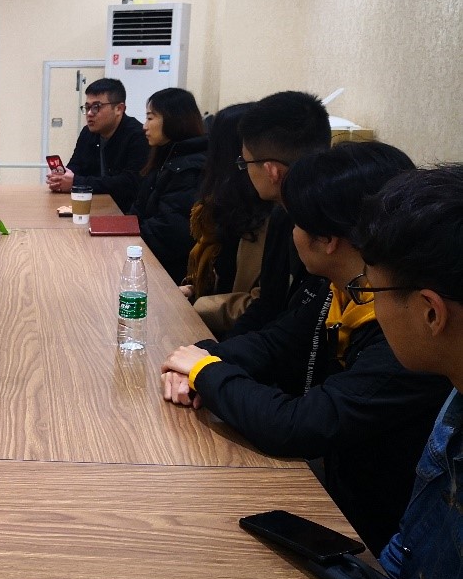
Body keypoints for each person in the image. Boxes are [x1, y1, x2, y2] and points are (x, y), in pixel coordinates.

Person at [160, 142, 450, 554]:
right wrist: (200, 361)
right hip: (339, 493)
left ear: (328, 239)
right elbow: (276, 342)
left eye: (294, 221)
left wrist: (205, 371)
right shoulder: (338, 286)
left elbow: (300, 426)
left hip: (373, 529)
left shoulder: (407, 331)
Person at [355, 165, 463, 579]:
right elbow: (412, 546)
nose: (370, 310)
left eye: (371, 292)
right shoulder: (454, 392)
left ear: (430, 312)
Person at [226, 91, 331, 337]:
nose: (245, 171)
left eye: (245, 163)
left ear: (272, 171)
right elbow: (267, 305)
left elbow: (300, 330)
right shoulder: (282, 215)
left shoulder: (327, 228)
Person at [182, 102, 273, 337]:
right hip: (210, 321)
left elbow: (263, 306)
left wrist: (198, 306)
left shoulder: (272, 216)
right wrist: (191, 292)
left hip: (236, 336)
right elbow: (217, 276)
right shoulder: (221, 204)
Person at [128, 87, 207, 284]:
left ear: (174, 119)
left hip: (170, 271)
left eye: (150, 118)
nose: (144, 126)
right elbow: (140, 208)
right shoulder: (165, 155)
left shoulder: (190, 167)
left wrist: (126, 241)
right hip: (149, 256)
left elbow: (170, 231)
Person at [46, 77, 148, 212]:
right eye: (87, 107)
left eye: (96, 107)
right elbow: (76, 165)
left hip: (125, 212)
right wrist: (62, 177)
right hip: (93, 207)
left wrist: (75, 182)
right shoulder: (87, 133)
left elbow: (129, 182)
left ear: (119, 109)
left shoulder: (138, 136)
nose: (89, 114)